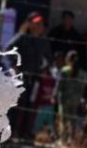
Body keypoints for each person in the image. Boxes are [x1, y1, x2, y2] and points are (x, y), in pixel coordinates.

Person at [4, 11, 52, 139]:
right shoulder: (21, 37)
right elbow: (8, 50)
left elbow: (49, 58)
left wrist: (45, 69)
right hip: (21, 77)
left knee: (30, 106)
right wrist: (14, 67)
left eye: (41, 24)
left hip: (35, 78)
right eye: (36, 23)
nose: (39, 26)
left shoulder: (43, 41)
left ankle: (25, 133)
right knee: (17, 105)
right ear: (29, 24)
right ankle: (11, 132)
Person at [56, 50, 86, 138]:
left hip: (64, 99)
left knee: (63, 119)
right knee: (73, 119)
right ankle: (72, 138)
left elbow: (59, 85)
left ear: (68, 59)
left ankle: (63, 138)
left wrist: (55, 94)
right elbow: (83, 86)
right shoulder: (82, 73)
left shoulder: (64, 70)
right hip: (76, 100)